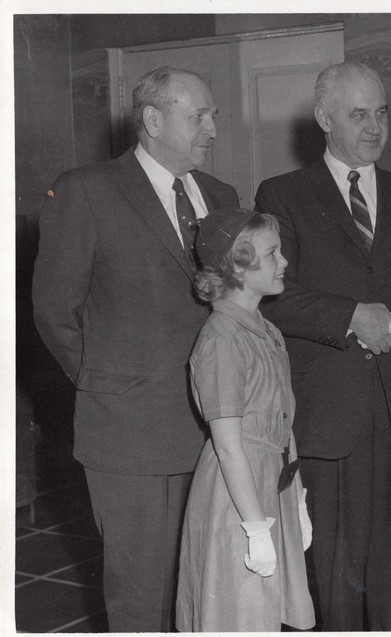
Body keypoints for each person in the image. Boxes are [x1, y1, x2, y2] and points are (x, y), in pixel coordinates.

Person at [253, 62, 391, 631]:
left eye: (382, 113)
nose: (374, 127)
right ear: (324, 119)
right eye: (358, 114)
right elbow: (274, 297)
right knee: (335, 567)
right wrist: (349, 317)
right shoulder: (283, 195)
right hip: (329, 412)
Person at [32, 66, 239, 631]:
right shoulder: (87, 190)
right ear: (152, 120)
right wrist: (107, 383)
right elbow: (55, 311)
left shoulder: (221, 197)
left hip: (217, 431)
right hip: (130, 433)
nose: (213, 129)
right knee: (142, 596)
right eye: (199, 116)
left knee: (208, 586)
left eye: (213, 115)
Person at [175, 208, 315, 631]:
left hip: (274, 485)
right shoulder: (222, 338)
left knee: (271, 611)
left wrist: (300, 499)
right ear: (238, 265)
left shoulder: (265, 330)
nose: (284, 262)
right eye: (272, 254)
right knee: (241, 611)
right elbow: (229, 445)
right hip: (237, 495)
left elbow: (283, 422)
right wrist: (255, 528)